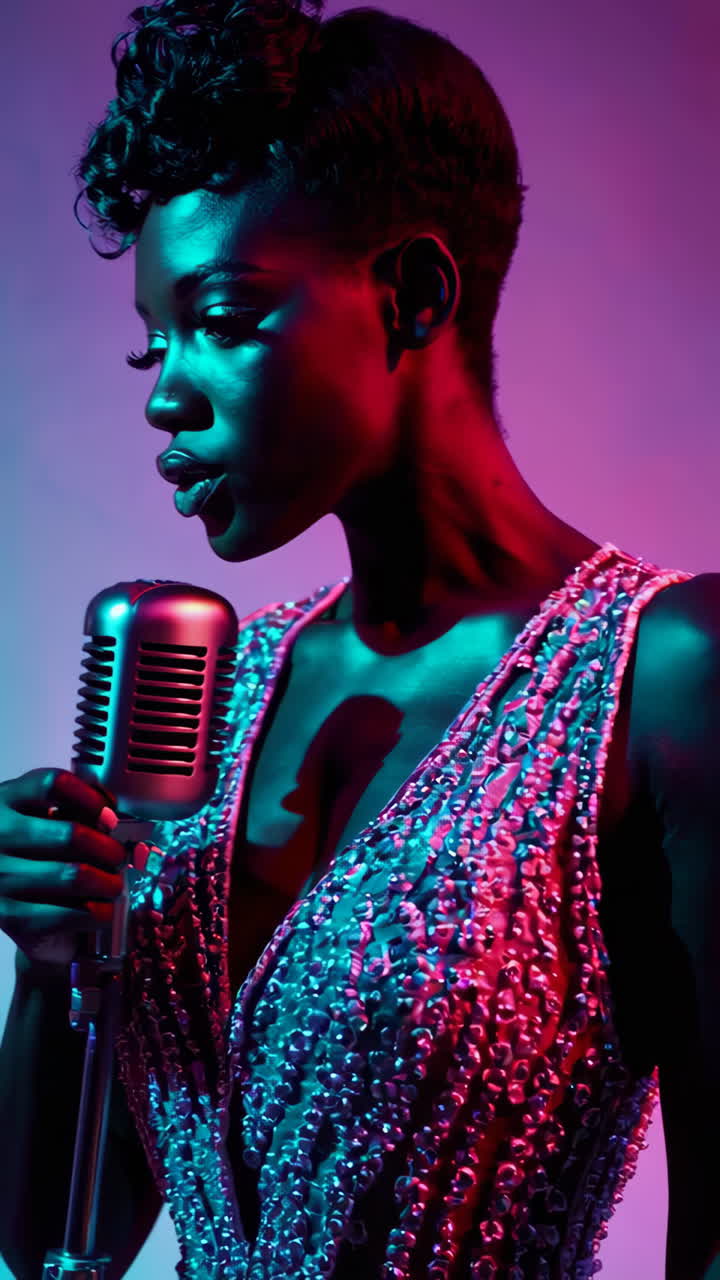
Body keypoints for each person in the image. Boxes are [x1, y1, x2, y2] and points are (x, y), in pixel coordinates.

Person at [0, 1, 718, 1277]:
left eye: (221, 316)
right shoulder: (203, 700)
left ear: (415, 294)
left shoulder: (665, 674)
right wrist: (57, 962)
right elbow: (66, 1236)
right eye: (150, 342)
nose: (166, 390)